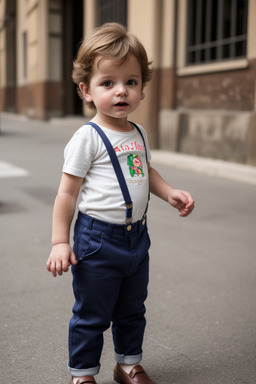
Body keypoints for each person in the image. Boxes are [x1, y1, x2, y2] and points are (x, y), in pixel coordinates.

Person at [46, 22, 195, 384]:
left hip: (136, 238)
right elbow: (67, 192)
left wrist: (169, 191)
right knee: (92, 313)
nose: (121, 92)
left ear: (142, 87)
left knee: (132, 309)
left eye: (130, 82)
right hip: (97, 241)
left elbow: (145, 169)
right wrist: (60, 241)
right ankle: (82, 374)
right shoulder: (88, 138)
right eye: (108, 83)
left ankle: (127, 364)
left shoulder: (138, 133)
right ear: (86, 90)